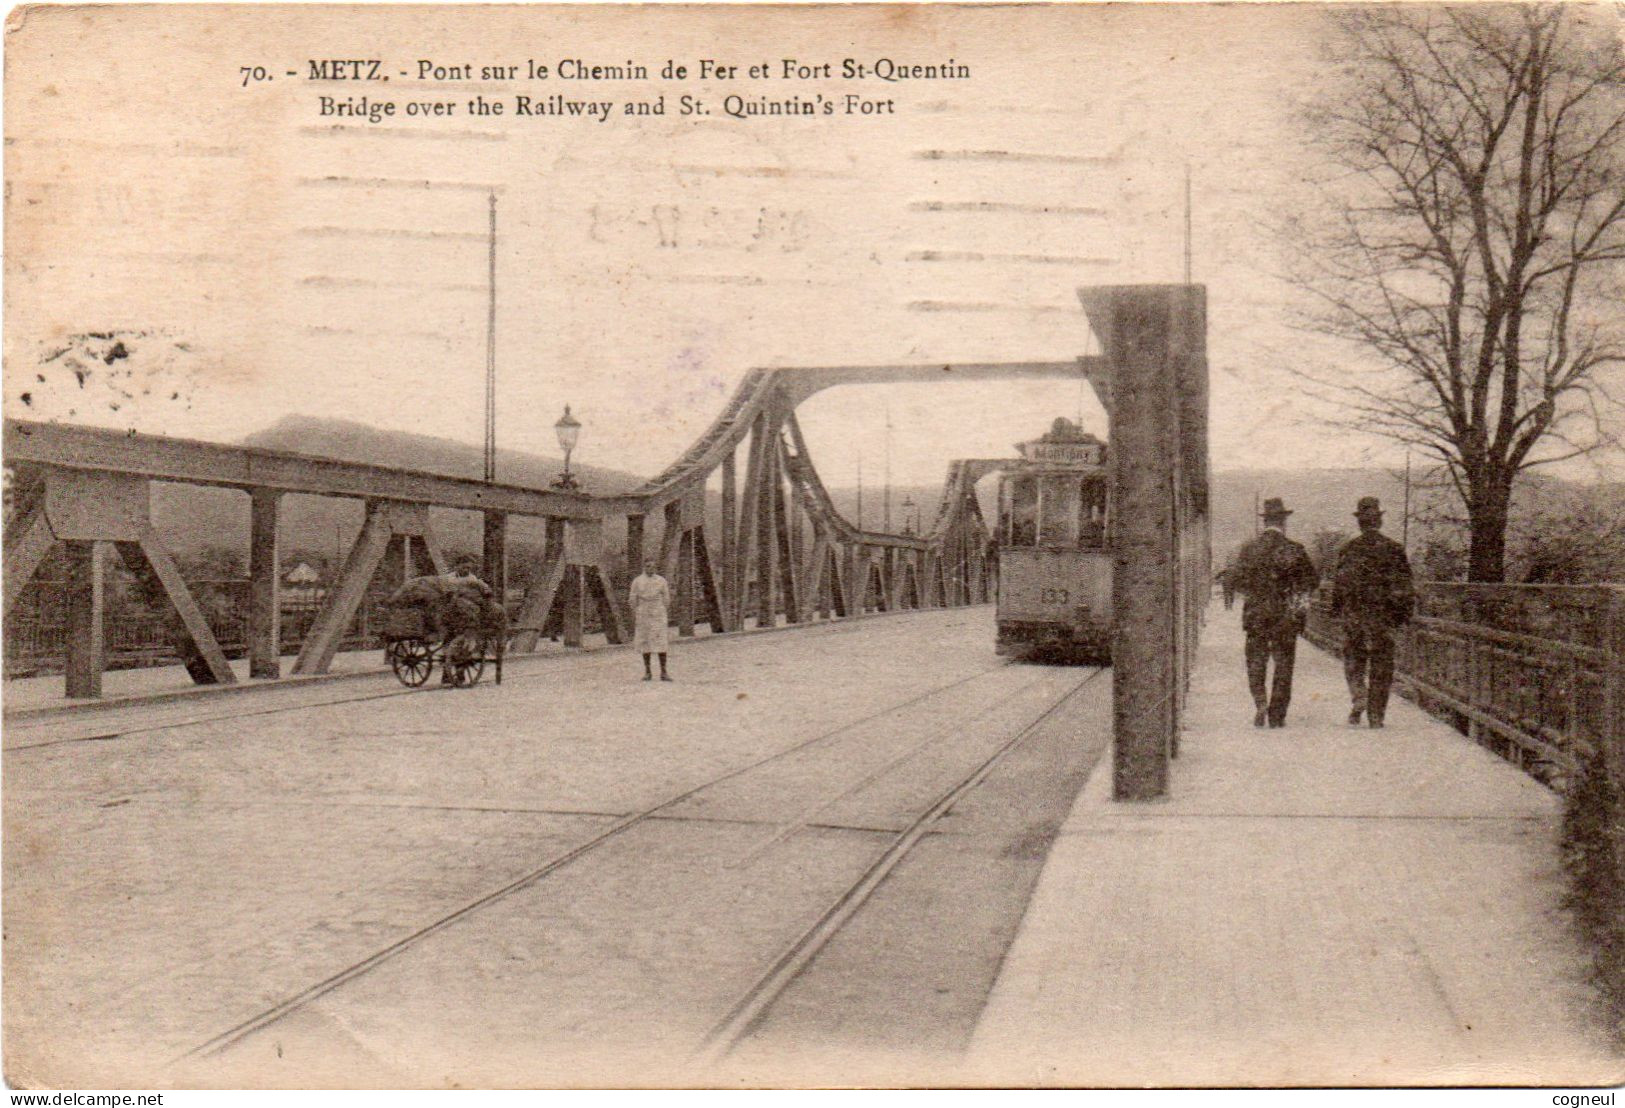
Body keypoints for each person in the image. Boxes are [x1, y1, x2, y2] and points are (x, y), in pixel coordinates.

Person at [1328, 497, 1415, 728]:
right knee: (1382, 665)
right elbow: (1405, 587)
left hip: (1354, 616)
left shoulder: (1348, 549)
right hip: (1383, 618)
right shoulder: (1394, 549)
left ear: (1360, 523)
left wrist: (1336, 610)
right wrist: (1403, 616)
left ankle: (1359, 697)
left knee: (1354, 661)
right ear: (1380, 521)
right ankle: (1376, 715)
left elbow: (1340, 585)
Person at [1231, 498, 1319, 728]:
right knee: (1283, 664)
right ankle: (1277, 714)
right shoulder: (1294, 549)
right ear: (1283, 521)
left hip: (1256, 613)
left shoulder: (1249, 549)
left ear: (1265, 521)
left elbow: (1238, 581)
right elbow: (1311, 581)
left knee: (1256, 660)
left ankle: (1260, 700)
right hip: (1284, 615)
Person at [629, 567, 672, 682]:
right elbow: (632, 598)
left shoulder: (661, 580)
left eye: (652, 567)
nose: (650, 569)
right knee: (645, 642)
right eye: (648, 566)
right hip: (644, 612)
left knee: (661, 641)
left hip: (658, 612)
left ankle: (664, 672)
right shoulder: (637, 581)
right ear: (644, 567)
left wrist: (662, 610)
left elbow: (667, 598)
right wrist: (637, 611)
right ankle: (648, 672)